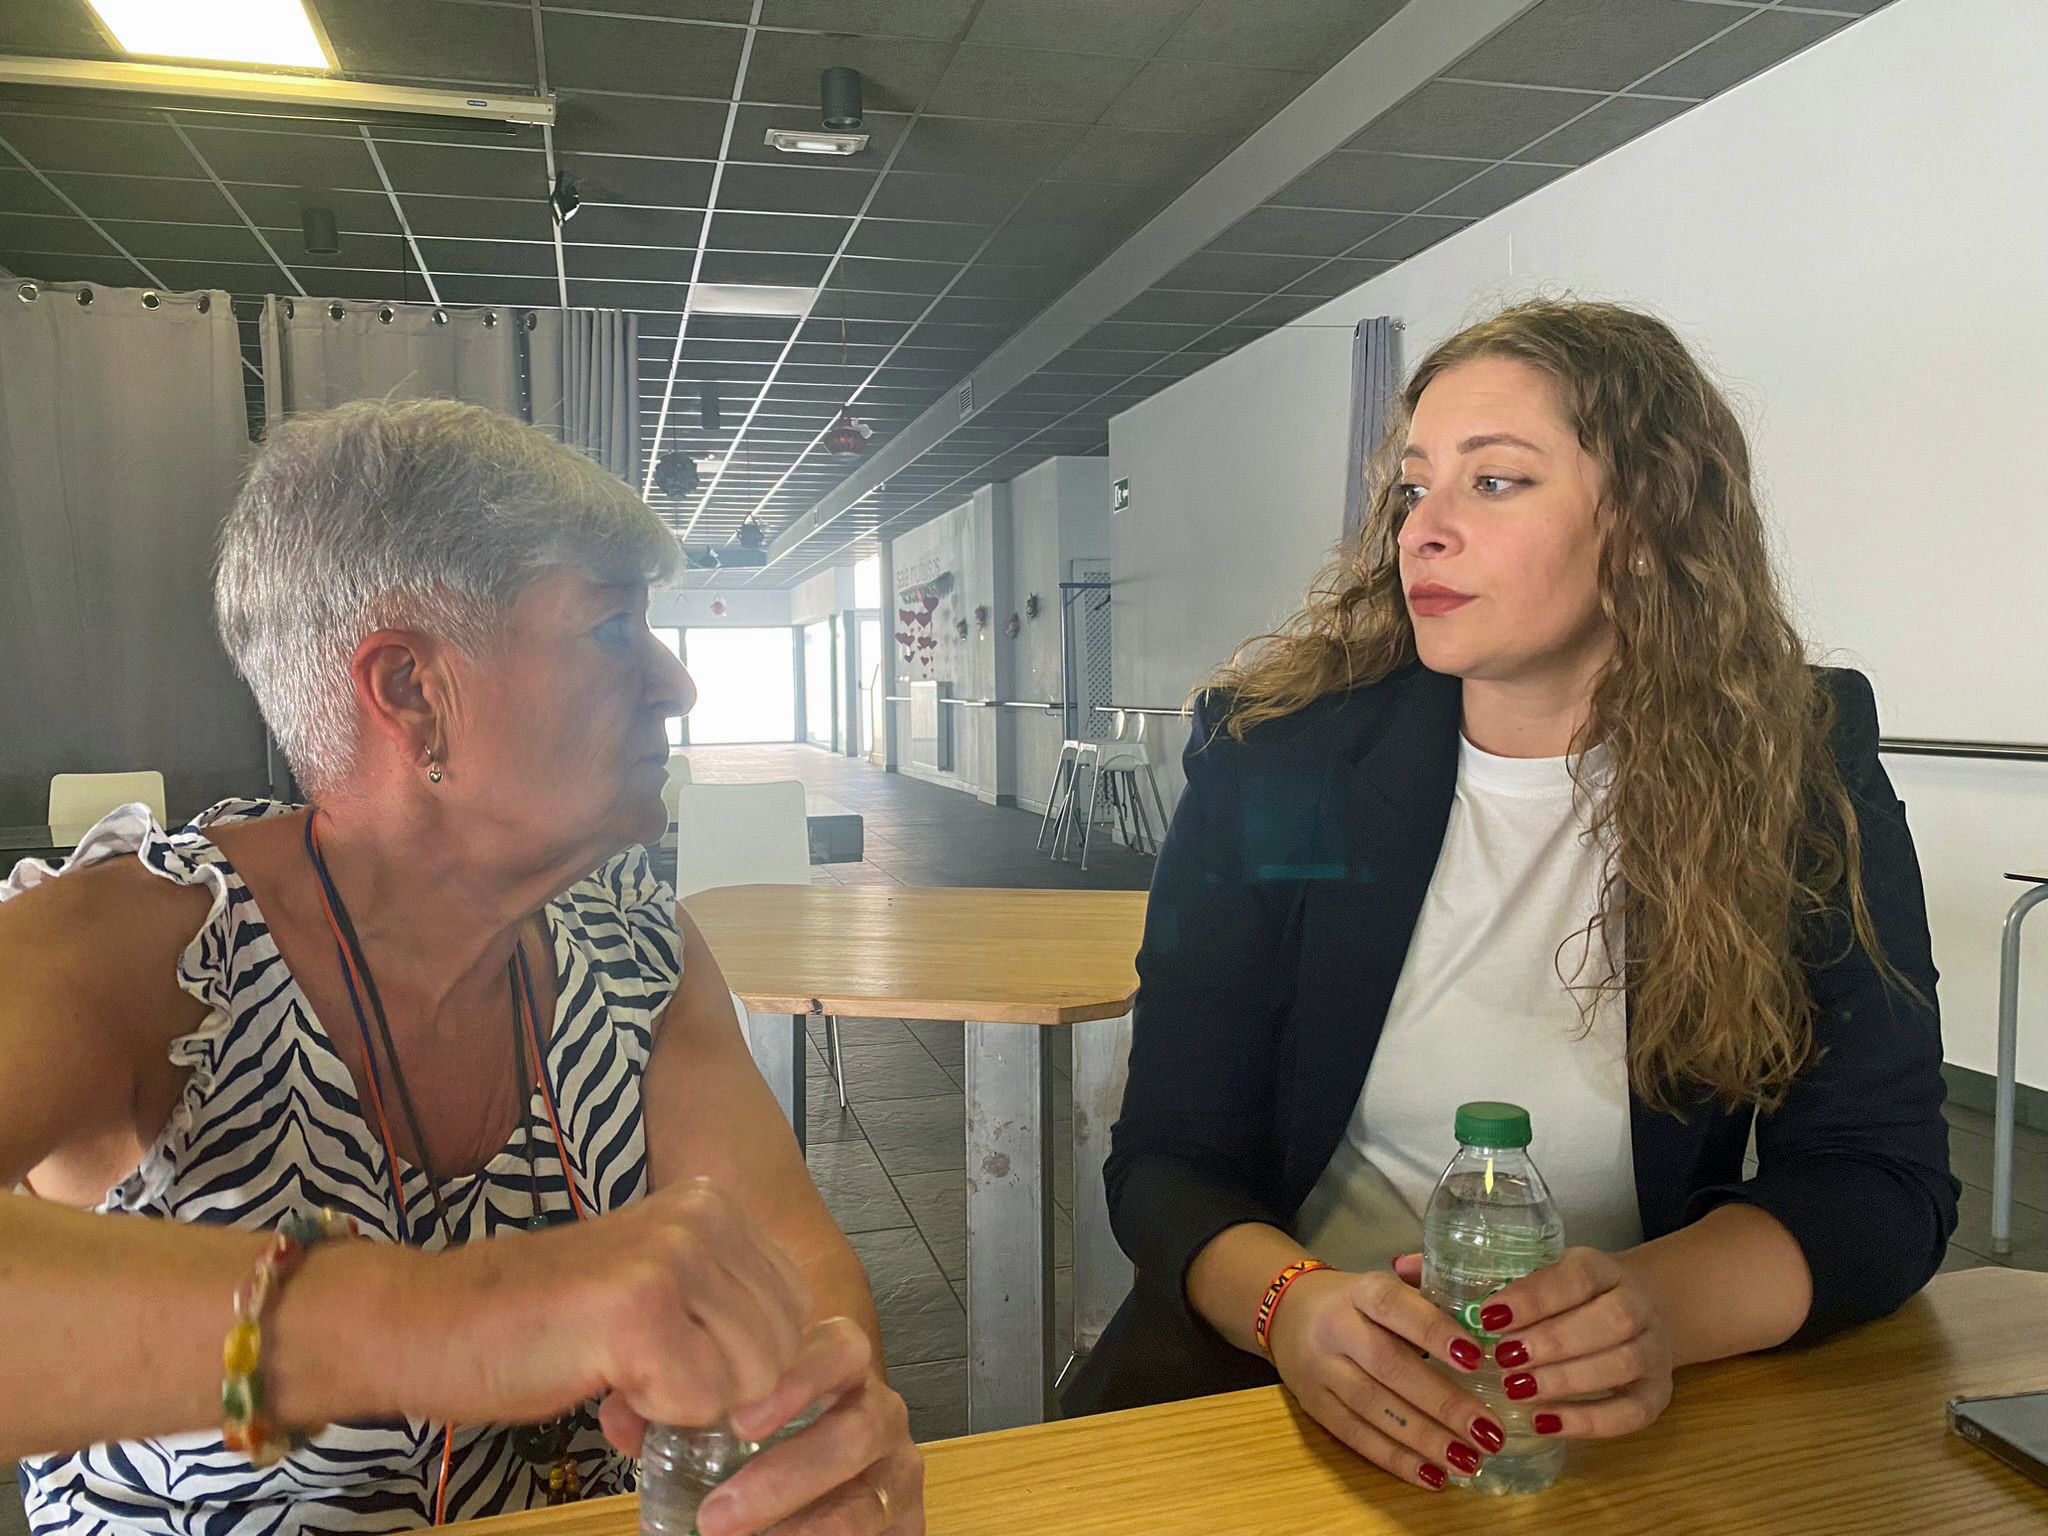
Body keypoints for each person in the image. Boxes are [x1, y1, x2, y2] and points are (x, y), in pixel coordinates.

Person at [1062, 300, 1957, 1493]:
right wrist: (1293, 1311)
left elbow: (1877, 1174)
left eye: (1492, 484)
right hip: (1266, 1397)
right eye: (1411, 489)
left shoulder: (1793, 763)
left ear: (1645, 522)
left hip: (1599, 1428)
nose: (1421, 532)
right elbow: (1166, 1155)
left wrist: (1655, 1309)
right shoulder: (1280, 757)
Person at [0, 399, 924, 1534]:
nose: (675, 685)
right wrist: (450, 1318)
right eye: (612, 628)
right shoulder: (140, 949)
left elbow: (791, 1271)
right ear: (409, 693)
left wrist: (811, 1439)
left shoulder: (634, 946)